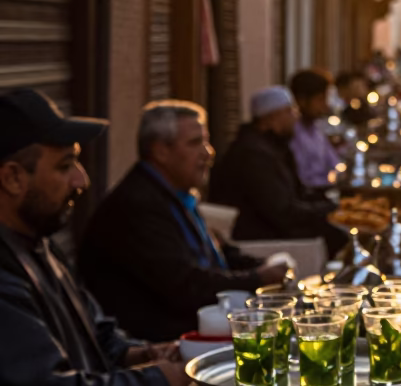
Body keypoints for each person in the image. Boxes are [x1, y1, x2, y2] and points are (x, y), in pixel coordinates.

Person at [0, 88, 190, 386]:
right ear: (14, 177)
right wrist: (168, 381)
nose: (82, 180)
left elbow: (97, 336)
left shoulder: (38, 245)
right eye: (66, 165)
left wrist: (147, 354)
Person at [80, 101, 289, 341]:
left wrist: (262, 267)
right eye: (194, 143)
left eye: (206, 141)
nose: (208, 152)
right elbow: (186, 285)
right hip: (160, 345)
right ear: (161, 152)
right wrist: (258, 278)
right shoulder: (138, 204)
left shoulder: (175, 193)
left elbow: (216, 256)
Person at [211, 85, 342, 256]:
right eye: (289, 111)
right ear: (271, 118)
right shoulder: (253, 155)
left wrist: (335, 206)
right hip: (262, 240)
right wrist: (331, 210)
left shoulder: (274, 147)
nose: (295, 117)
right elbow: (281, 211)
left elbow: (298, 193)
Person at [289, 68, 341, 189]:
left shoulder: (317, 129)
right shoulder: (292, 133)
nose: (325, 106)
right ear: (302, 100)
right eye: (320, 99)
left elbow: (334, 164)